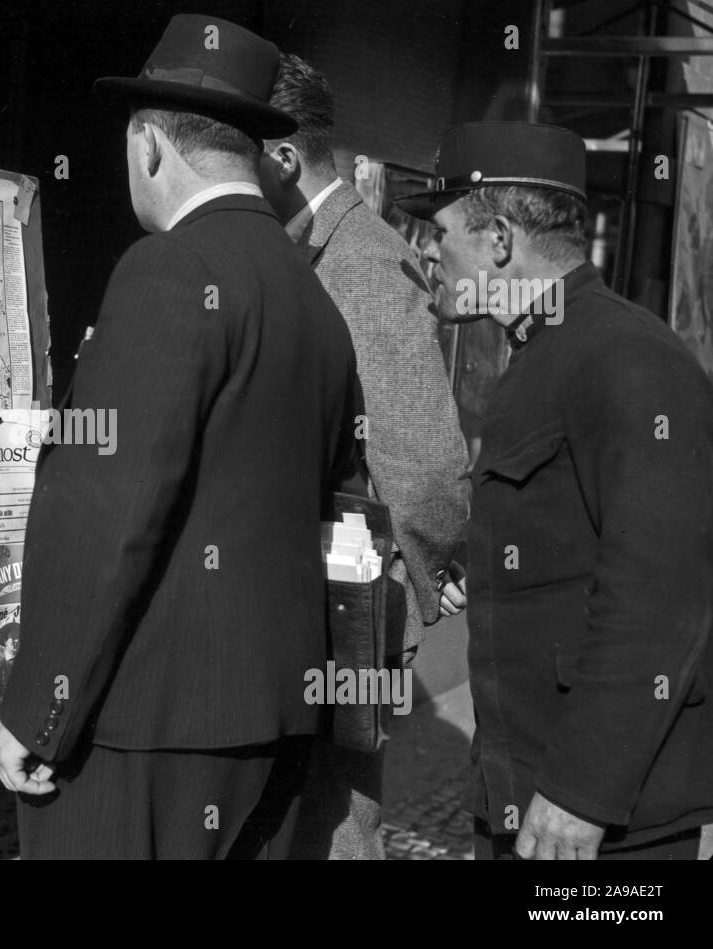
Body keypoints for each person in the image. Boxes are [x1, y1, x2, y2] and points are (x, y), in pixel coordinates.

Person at [0, 14, 360, 859]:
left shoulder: (168, 269)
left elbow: (106, 511)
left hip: (143, 729)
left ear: (150, 146)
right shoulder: (313, 302)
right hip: (270, 723)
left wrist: (37, 706)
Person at [397, 121, 713, 859]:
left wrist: (583, 792)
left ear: (499, 239)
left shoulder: (627, 358)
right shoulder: (548, 352)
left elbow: (664, 596)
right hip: (524, 796)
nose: (428, 254)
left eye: (440, 233)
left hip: (599, 825)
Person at [258, 53, 471, 859]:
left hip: (353, 608)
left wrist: (428, 565)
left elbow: (422, 460)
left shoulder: (364, 258)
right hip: (313, 609)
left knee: (337, 823)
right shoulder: (307, 244)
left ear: (283, 157)